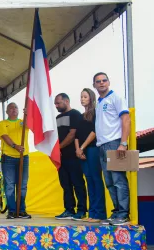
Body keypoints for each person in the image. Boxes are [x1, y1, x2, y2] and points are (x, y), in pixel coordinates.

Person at [93, 72, 131, 225]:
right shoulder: (100, 102)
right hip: (102, 145)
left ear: (108, 82)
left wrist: (123, 143)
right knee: (109, 182)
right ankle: (116, 213)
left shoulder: (116, 98)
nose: (101, 83)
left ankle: (123, 213)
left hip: (114, 143)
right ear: (94, 85)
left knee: (118, 179)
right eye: (98, 81)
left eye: (104, 80)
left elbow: (126, 119)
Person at [74, 88, 107, 223]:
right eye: (81, 97)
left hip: (92, 149)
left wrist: (82, 147)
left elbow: (94, 132)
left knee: (96, 179)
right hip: (81, 152)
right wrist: (78, 150)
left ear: (91, 98)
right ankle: (92, 212)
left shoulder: (96, 113)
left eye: (85, 97)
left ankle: (100, 213)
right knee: (88, 180)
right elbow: (76, 135)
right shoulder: (81, 116)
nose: (82, 99)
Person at [54, 93, 87, 220]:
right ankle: (69, 209)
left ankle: (82, 210)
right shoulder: (57, 117)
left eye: (58, 103)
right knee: (65, 184)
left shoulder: (75, 114)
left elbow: (72, 134)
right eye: (55, 104)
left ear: (66, 101)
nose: (56, 106)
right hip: (61, 158)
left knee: (78, 183)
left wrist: (59, 148)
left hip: (74, 156)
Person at [0, 103, 32, 219]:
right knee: (10, 185)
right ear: (7, 111)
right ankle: (12, 211)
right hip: (8, 158)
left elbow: (31, 124)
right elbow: (4, 136)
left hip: (24, 157)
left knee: (22, 185)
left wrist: (28, 114)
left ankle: (21, 210)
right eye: (11, 108)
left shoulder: (22, 122)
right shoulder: (3, 124)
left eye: (16, 107)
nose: (14, 110)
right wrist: (15, 146)